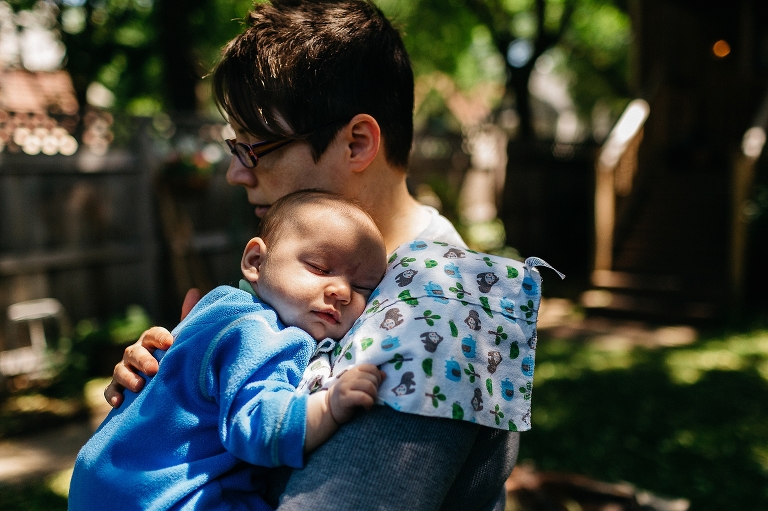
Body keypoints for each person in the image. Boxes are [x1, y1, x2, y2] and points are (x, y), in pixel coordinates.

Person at [104, 1, 520, 509]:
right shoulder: (309, 269)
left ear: (357, 142)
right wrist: (173, 395)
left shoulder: (447, 311)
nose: (236, 173)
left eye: (256, 148)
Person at [69, 190, 388, 511]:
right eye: (320, 267)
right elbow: (258, 430)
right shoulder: (268, 334)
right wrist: (330, 406)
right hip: (167, 497)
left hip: (104, 477)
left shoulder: (220, 304)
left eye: (363, 288)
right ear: (256, 262)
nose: (343, 292)